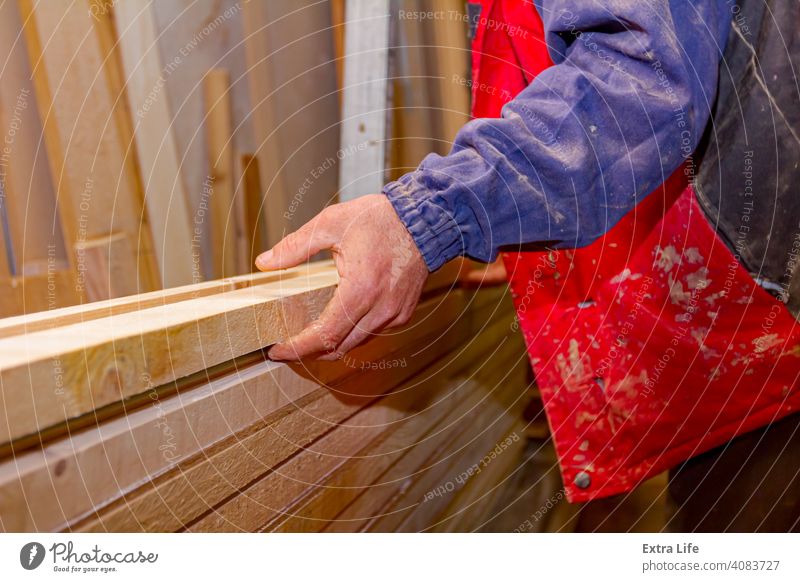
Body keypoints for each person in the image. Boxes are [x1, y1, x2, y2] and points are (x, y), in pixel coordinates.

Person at [256, 0, 800, 528]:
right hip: (695, 315)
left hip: (756, 324)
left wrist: (430, 217)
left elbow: (639, 73)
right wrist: (513, 240)